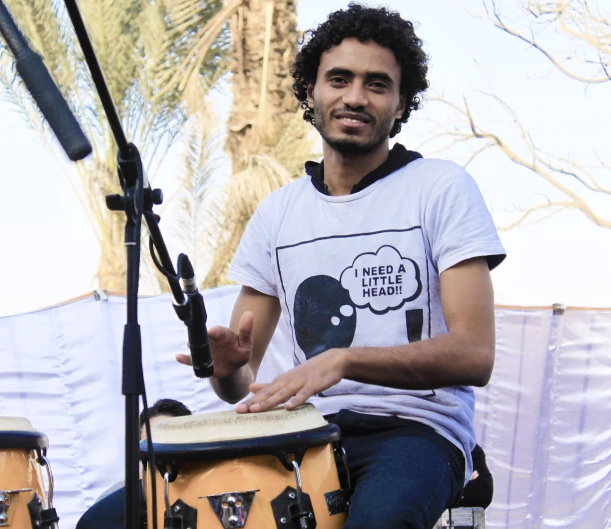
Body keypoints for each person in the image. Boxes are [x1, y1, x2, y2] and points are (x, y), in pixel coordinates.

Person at [177, 4, 505, 528]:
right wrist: (227, 368)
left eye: (377, 84)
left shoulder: (441, 188)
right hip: (300, 431)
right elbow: (241, 386)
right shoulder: (279, 212)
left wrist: (345, 360)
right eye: (339, 79)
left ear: (401, 104)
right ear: (311, 93)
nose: (355, 96)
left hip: (416, 431)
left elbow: (474, 354)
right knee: (117, 515)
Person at [76, 398, 192, 529]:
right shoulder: (112, 501)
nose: (161, 450)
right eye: (152, 442)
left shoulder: (207, 488)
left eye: (170, 441)